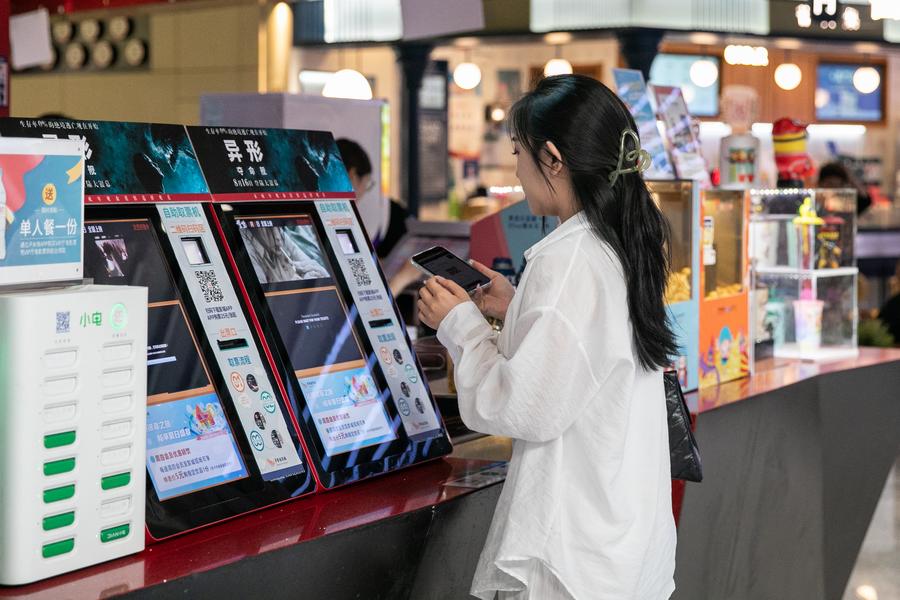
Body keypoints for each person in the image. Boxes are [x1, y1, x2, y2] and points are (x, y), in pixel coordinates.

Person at [417, 74, 677, 599]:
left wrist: (459, 324)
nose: (515, 169)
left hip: (571, 556)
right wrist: (517, 308)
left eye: (518, 152)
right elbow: (587, 353)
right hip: (618, 541)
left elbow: (521, 407)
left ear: (553, 159)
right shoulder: (617, 243)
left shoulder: (569, 259)